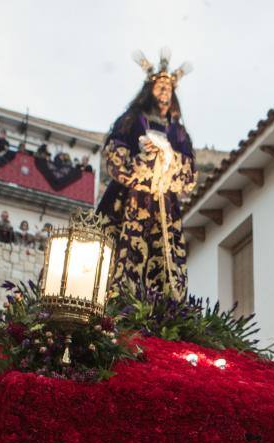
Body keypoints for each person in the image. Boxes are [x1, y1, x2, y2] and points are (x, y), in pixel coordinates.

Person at [97, 47, 196, 301]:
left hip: (164, 207)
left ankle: (162, 311)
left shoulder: (179, 133)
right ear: (149, 90)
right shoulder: (132, 120)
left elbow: (189, 174)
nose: (164, 89)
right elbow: (114, 152)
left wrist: (168, 158)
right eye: (159, 85)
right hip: (126, 200)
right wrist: (143, 157)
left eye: (168, 86)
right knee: (118, 259)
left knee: (162, 265)